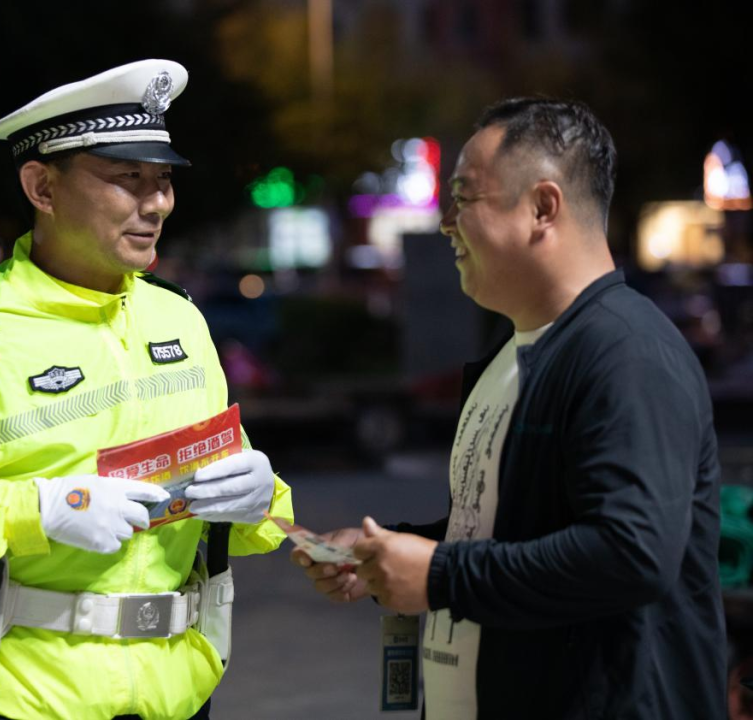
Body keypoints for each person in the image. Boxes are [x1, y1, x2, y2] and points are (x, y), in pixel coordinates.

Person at [0, 59, 293, 720]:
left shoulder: (181, 321)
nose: (158, 203)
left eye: (164, 179)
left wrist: (263, 500)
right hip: (18, 697)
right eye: (128, 178)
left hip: (180, 694)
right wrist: (41, 509)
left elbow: (241, 499)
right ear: (42, 187)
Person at [293, 98, 726, 719]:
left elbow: (632, 553)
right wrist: (391, 554)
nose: (446, 222)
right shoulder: (517, 351)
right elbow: (510, 529)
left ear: (543, 208)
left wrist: (440, 574)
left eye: (464, 198)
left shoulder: (626, 352)